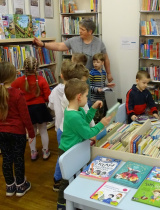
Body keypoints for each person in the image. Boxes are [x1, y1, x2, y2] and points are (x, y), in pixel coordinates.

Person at [57, 78, 111, 210]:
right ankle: (61, 204)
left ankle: (77, 199)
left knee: (76, 174)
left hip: (75, 149)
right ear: (79, 97)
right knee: (66, 181)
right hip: (68, 151)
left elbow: (85, 121)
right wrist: (101, 124)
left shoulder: (78, 110)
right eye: (87, 96)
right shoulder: (73, 116)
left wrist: (92, 109)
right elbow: (88, 133)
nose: (88, 98)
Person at [0, 62, 35, 197]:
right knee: (18, 158)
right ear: (13, 76)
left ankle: (10, 187)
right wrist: (31, 133)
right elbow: (25, 116)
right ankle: (21, 186)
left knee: (6, 159)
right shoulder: (18, 94)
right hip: (17, 132)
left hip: (0, 132)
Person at [48, 60, 91, 192]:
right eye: (82, 82)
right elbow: (86, 115)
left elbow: (50, 105)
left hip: (61, 127)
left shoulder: (57, 90)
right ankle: (63, 180)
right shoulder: (77, 97)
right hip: (71, 130)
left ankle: (58, 179)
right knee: (67, 157)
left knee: (63, 156)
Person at [33, 19, 113, 82]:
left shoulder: (99, 43)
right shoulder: (74, 40)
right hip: (77, 78)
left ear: (90, 32)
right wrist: (43, 44)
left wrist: (109, 74)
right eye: (80, 29)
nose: (80, 31)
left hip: (95, 78)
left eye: (83, 29)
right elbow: (59, 46)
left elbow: (106, 59)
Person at [11, 57, 53, 161]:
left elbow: (11, 91)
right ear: (37, 68)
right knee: (43, 130)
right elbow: (48, 97)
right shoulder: (42, 80)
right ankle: (45, 151)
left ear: (24, 68)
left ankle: (33, 152)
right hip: (40, 108)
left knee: (31, 131)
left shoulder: (19, 81)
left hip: (26, 110)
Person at [90, 53, 115, 122]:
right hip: (94, 99)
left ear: (102, 63)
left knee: (101, 116)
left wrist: (107, 85)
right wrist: (96, 89)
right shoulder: (91, 73)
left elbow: (102, 84)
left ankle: (100, 130)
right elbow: (88, 86)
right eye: (94, 62)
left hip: (102, 98)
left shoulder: (104, 73)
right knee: (95, 118)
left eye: (97, 62)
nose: (95, 64)